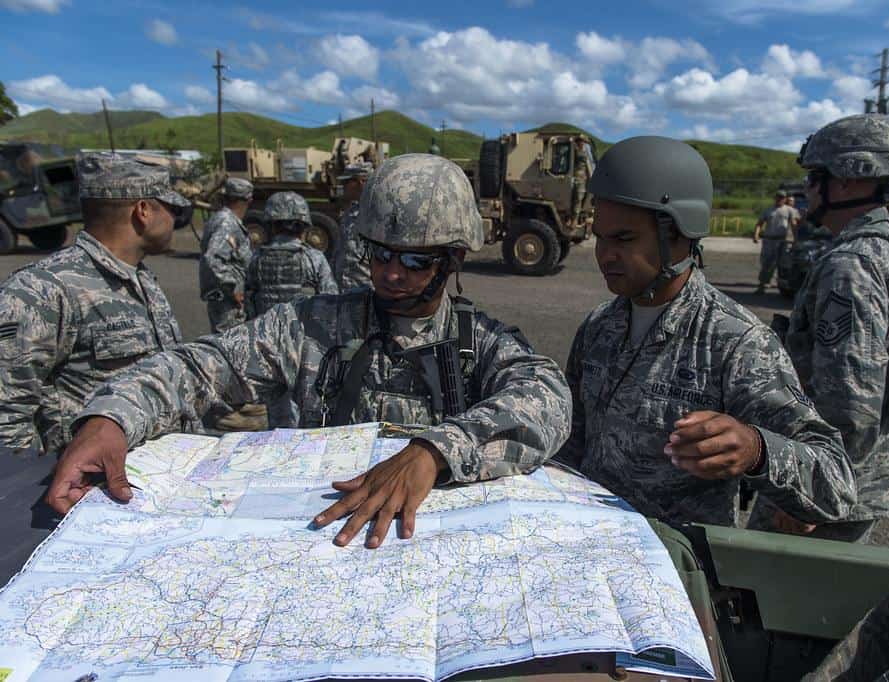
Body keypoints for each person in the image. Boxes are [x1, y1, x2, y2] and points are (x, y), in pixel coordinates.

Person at [46, 154, 572, 551]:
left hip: (429, 553)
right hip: (324, 547)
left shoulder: (477, 340)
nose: (390, 272)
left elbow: (547, 398)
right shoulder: (309, 325)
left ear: (453, 258)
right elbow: (198, 367)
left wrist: (434, 451)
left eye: (413, 259)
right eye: (378, 253)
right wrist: (111, 418)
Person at [556, 136, 856, 531]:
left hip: (678, 571)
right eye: (601, 237)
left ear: (678, 234)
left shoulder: (736, 342)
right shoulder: (598, 327)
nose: (604, 255)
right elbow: (573, 446)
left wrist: (756, 450)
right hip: (592, 548)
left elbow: (837, 483)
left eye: (624, 239)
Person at [758, 113, 889, 543]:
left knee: (763, 601)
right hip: (866, 474)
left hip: (825, 484)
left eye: (817, 176)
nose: (808, 189)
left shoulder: (852, 265)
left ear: (851, 181)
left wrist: (811, 493)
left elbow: (850, 395)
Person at [0, 152, 193, 455]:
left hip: (156, 476)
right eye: (170, 208)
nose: (174, 220)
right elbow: (8, 417)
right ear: (143, 210)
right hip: (91, 491)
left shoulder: (141, 279)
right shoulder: (40, 291)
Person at [245, 191, 338, 320]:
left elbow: (248, 301)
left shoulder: (255, 258)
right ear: (304, 225)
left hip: (264, 335)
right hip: (303, 335)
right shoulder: (315, 258)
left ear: (272, 225)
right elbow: (330, 301)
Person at [199, 177, 254, 333]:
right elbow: (213, 258)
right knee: (230, 347)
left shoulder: (220, 218)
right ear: (249, 200)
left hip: (224, 299)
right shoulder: (227, 223)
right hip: (228, 302)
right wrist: (234, 288)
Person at [331, 163, 373, 293]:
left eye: (346, 182)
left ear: (361, 181)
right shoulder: (351, 211)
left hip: (366, 289)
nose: (343, 187)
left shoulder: (377, 212)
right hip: (344, 289)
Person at [753, 189, 801, 294]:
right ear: (775, 198)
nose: (780, 199)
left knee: (784, 265)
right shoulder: (769, 210)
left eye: (782, 197)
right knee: (766, 263)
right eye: (778, 197)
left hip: (782, 241)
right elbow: (759, 223)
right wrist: (756, 235)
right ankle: (762, 285)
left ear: (785, 199)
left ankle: (785, 287)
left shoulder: (789, 210)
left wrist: (796, 239)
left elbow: (794, 225)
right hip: (769, 240)